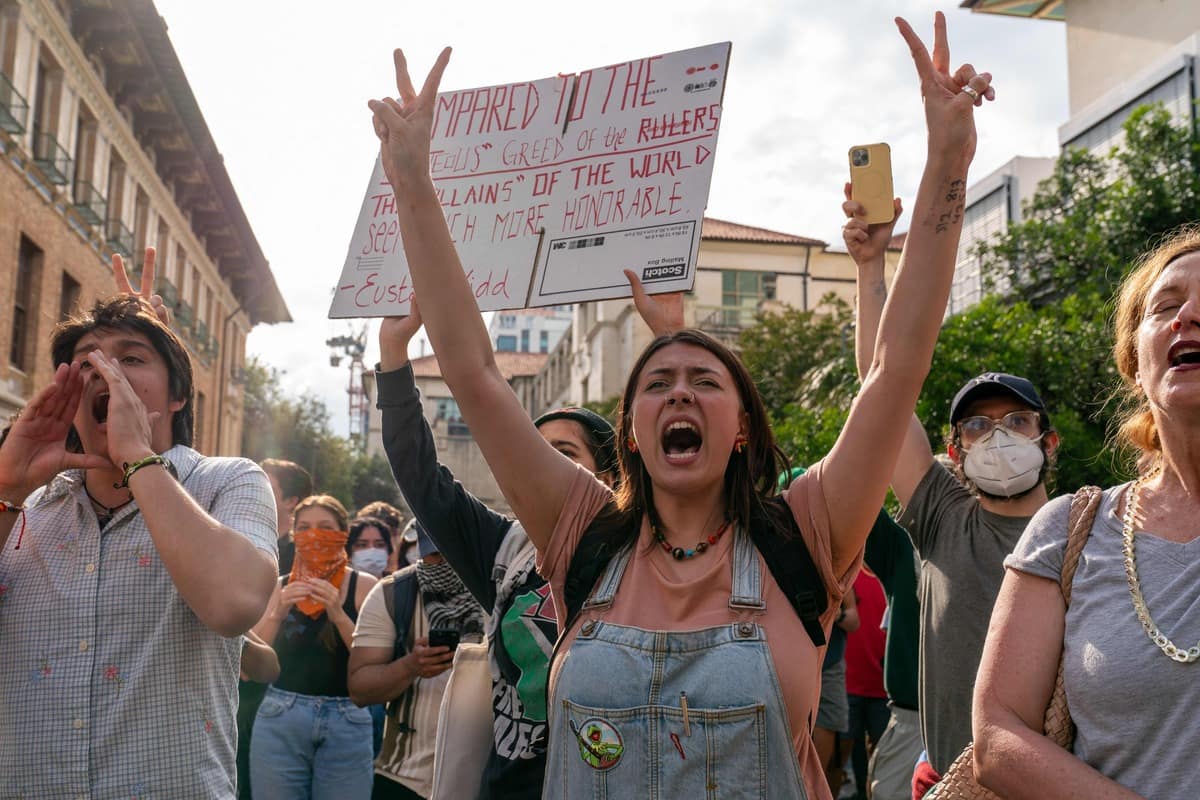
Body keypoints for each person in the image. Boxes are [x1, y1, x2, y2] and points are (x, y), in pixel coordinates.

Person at [366, 12, 991, 797]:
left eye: (704, 380)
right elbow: (474, 371)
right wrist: (414, 182)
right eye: (656, 384)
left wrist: (949, 159)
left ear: (740, 430)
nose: (680, 392)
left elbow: (895, 371)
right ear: (630, 433)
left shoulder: (805, 532)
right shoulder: (578, 532)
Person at [0, 253, 278, 795]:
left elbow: (234, 604)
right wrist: (6, 490)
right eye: (87, 362)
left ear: (177, 396)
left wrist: (137, 456)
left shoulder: (227, 483)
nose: (107, 371)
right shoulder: (26, 510)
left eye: (132, 359)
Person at [846, 172, 1058, 792]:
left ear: (1049, 441)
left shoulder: (1086, 530)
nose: (998, 437)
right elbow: (881, 390)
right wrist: (869, 269)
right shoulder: (942, 514)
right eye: (977, 427)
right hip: (947, 783)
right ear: (953, 452)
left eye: (1016, 422)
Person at [972, 225, 1200, 799]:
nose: (1187, 316)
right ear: (1134, 361)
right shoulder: (1070, 528)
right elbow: (997, 739)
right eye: (1166, 306)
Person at [375, 303, 619, 799]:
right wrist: (394, 355)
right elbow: (422, 480)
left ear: (610, 481)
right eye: (532, 452)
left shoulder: (640, 548)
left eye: (564, 456)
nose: (540, 469)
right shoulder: (502, 548)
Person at [249, 494, 379, 800]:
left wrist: (338, 613)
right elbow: (251, 663)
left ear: (343, 533)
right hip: (281, 715)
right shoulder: (279, 586)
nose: (313, 535)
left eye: (325, 527)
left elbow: (373, 660)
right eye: (304, 527)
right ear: (294, 535)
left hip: (347, 717)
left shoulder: (366, 586)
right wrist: (278, 612)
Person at [348, 523, 485, 799]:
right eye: (436, 556)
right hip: (406, 777)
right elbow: (359, 689)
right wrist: (411, 666)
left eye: (455, 554)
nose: (447, 565)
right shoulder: (392, 594)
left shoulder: (501, 592)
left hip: (485, 778)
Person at [844, 569, 891, 800]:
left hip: (882, 684)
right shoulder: (847, 571)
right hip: (848, 681)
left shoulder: (891, 572)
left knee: (883, 753)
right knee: (851, 752)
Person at [815, 591, 860, 796]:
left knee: (822, 770)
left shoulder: (836, 568)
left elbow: (853, 621)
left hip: (828, 668)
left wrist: (837, 615)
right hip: (791, 665)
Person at [261, 458, 314, 575]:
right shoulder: (239, 540)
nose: (254, 492)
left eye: (265, 488)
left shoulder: (303, 556)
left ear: (290, 501)